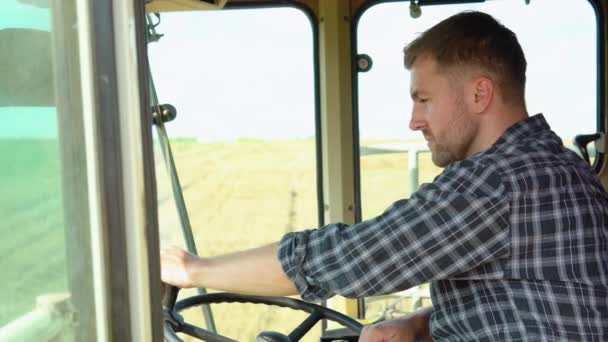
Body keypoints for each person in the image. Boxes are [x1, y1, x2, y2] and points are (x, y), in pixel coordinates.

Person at [161, 11, 608, 341]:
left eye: (424, 99)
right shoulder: (564, 167)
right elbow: (519, 297)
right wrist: (417, 326)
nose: (415, 121)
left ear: (479, 93)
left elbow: (353, 259)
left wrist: (193, 268)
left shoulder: (496, 182)